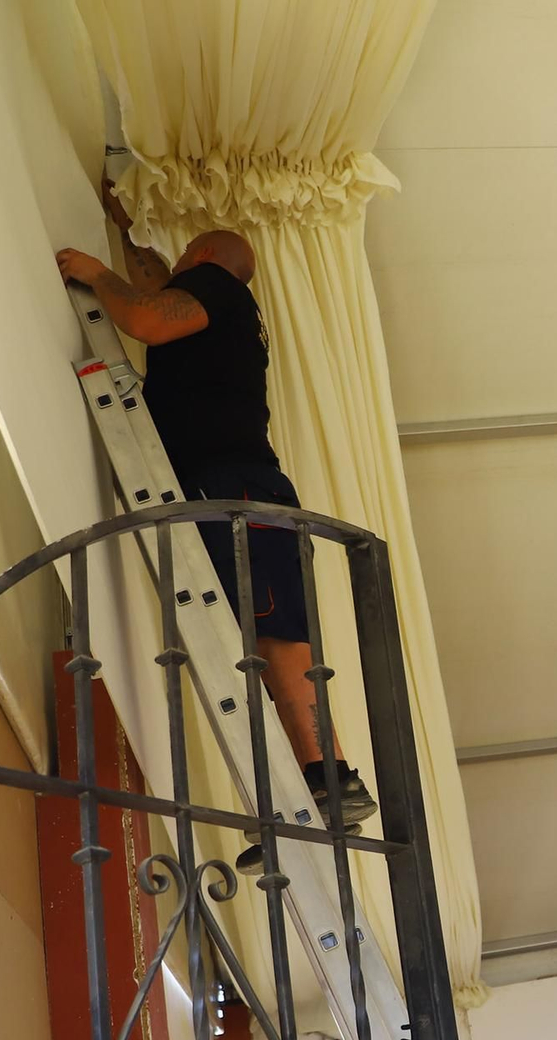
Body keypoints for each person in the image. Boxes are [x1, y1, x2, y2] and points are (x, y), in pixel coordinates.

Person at [56, 183, 376, 838]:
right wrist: (123, 225)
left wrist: (94, 272)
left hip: (236, 494)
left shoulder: (216, 290)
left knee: (274, 641)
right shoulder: (223, 309)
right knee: (270, 639)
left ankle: (330, 779)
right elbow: (155, 285)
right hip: (247, 493)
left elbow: (147, 316)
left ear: (203, 258)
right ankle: (320, 783)